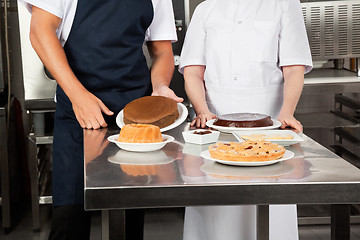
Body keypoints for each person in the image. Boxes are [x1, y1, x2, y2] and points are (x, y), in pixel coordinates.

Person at [19, 0, 182, 239]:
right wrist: (78, 96)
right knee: (69, 215)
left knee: (129, 215)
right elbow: (40, 31)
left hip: (133, 117)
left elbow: (162, 51)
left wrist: (160, 87)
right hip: (79, 113)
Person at [179, 0, 313, 239]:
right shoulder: (206, 9)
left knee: (271, 203)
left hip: (270, 123)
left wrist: (288, 111)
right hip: (215, 123)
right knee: (216, 207)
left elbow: (294, 67)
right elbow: (192, 70)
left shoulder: (284, 4)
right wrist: (202, 110)